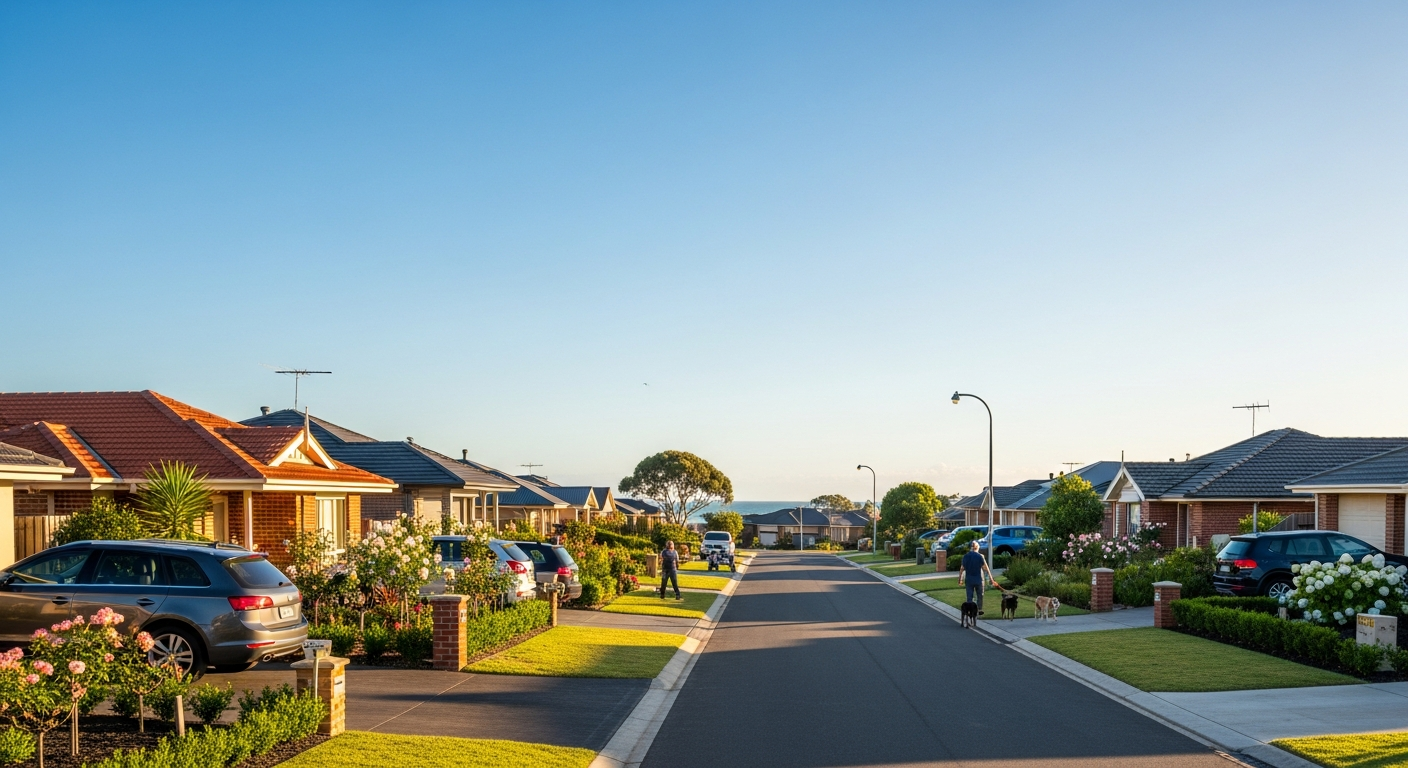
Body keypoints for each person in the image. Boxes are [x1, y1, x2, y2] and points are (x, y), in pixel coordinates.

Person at [958, 540, 999, 615]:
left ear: (970, 548)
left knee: (969, 596)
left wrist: (960, 579)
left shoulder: (966, 556)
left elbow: (962, 569)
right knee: (980, 595)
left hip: (969, 579)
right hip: (979, 579)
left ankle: (969, 610)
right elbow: (986, 568)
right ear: (977, 547)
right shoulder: (980, 556)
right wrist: (991, 579)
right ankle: (979, 609)